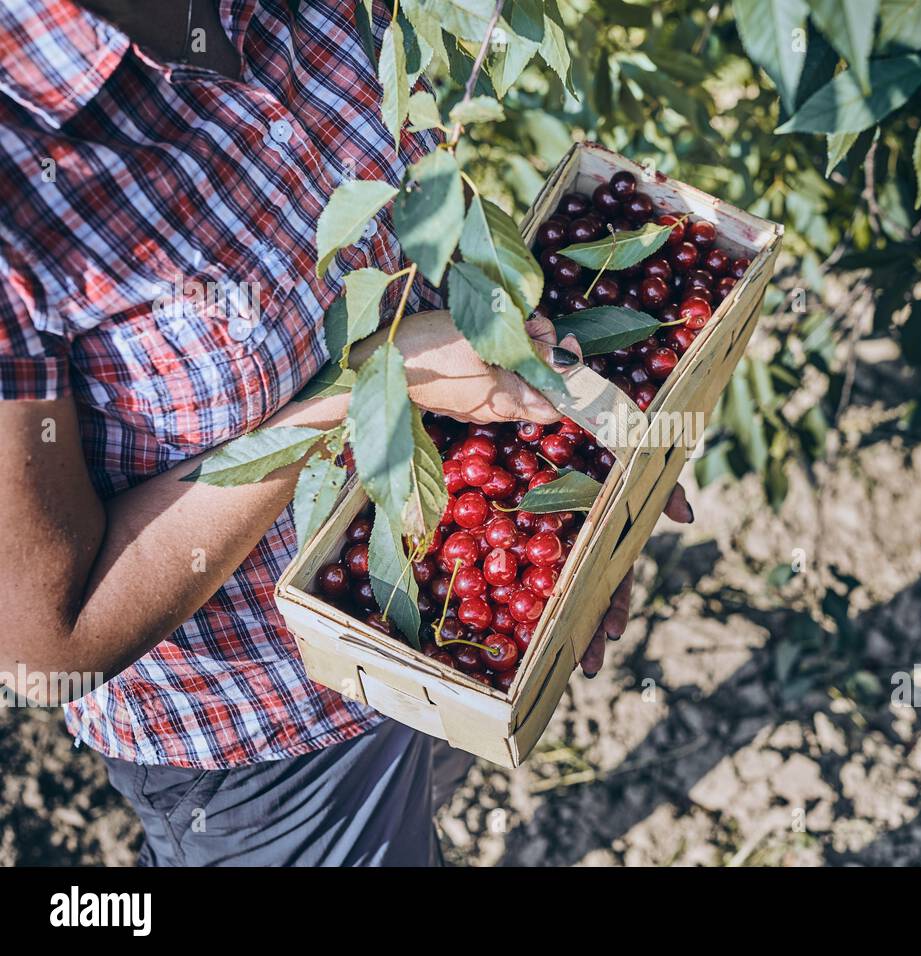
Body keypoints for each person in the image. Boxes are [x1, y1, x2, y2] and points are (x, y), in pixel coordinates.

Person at [0, 0, 690, 866]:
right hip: (266, 737)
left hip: (438, 599)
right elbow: (46, 644)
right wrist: (374, 380)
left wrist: (559, 501)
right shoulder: (18, 173)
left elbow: (408, 216)